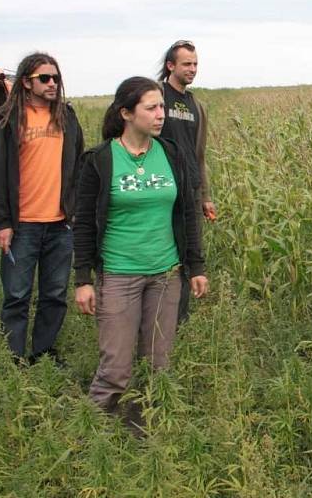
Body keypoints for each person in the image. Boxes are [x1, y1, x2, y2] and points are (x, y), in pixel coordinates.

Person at [73, 76, 207, 424]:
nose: (161, 114)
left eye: (162, 106)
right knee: (116, 369)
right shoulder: (100, 160)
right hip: (119, 275)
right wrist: (83, 279)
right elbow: (84, 223)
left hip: (166, 275)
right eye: (152, 107)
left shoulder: (172, 154)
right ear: (126, 113)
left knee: (157, 364)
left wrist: (196, 266)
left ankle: (143, 434)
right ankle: (93, 436)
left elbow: (188, 213)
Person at [0, 52, 84, 364]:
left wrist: (76, 210)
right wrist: (2, 222)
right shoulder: (10, 120)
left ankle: (43, 354)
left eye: (55, 77)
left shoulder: (66, 117)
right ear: (27, 82)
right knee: (16, 296)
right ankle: (13, 357)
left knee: (54, 295)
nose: (52, 83)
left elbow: (78, 165)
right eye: (45, 78)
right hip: (22, 225)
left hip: (60, 224)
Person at [157, 40, 215, 324]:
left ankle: (178, 321)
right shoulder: (156, 96)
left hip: (190, 190)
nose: (192, 69)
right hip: (160, 189)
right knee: (160, 253)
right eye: (186, 64)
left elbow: (199, 154)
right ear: (171, 66)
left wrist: (204, 195)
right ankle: (155, 319)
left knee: (188, 253)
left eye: (195, 64)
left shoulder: (196, 105)